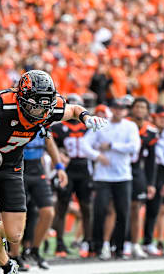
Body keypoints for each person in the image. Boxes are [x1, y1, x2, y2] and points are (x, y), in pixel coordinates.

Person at [0, 70, 107, 274]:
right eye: (35, 104)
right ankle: (7, 265)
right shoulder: (4, 105)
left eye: (45, 104)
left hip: (12, 167)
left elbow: (75, 109)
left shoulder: (51, 108)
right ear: (21, 99)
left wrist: (86, 118)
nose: (41, 110)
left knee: (14, 235)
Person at [85, 98, 140, 260]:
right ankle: (98, 245)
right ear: (112, 109)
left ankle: (120, 247)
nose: (119, 111)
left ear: (126, 111)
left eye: (122, 108)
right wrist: (96, 155)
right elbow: (85, 143)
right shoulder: (103, 124)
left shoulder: (130, 126)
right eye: (116, 108)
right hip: (103, 175)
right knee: (100, 210)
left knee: (123, 212)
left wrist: (111, 146)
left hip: (123, 175)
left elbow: (134, 147)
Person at [17, 127, 67, 269]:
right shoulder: (15, 119)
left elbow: (50, 143)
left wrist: (60, 167)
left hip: (37, 169)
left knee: (48, 212)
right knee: (16, 215)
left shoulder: (43, 122)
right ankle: (13, 255)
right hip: (17, 168)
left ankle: (35, 249)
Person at [50, 94, 92, 258]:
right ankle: (60, 244)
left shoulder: (87, 126)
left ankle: (88, 242)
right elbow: (53, 147)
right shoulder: (58, 127)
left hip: (84, 169)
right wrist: (60, 154)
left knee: (86, 207)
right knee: (62, 207)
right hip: (67, 169)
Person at [143, 105, 164, 255]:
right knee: (135, 205)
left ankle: (148, 241)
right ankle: (125, 242)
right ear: (154, 117)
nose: (163, 120)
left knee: (154, 208)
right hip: (144, 168)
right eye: (161, 117)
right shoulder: (148, 130)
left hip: (161, 171)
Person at [127, 97, 158, 258]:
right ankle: (119, 242)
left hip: (137, 170)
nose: (139, 110)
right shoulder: (124, 125)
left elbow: (151, 160)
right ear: (132, 109)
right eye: (137, 107)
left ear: (147, 111)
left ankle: (134, 243)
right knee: (116, 208)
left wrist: (151, 183)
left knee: (136, 207)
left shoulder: (151, 131)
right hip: (120, 169)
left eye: (143, 107)